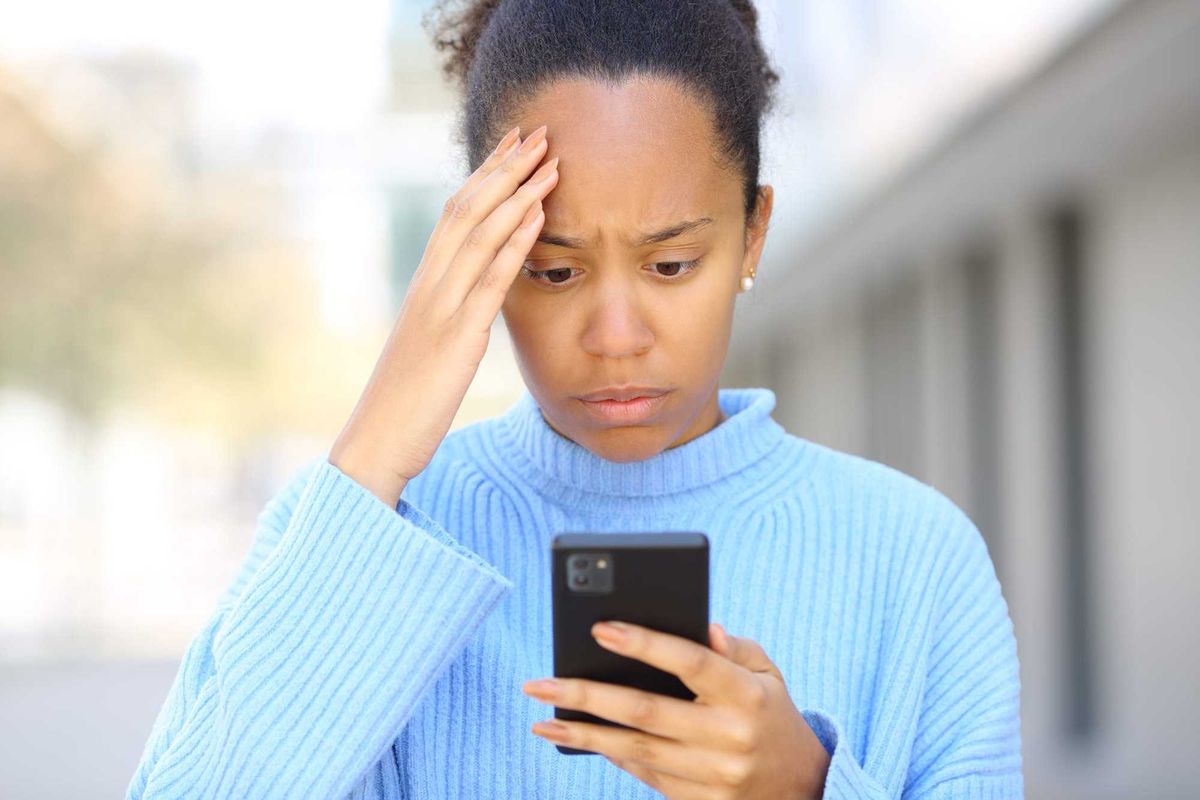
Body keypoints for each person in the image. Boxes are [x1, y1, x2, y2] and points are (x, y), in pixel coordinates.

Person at [127, 1, 1022, 797]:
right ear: (481, 253)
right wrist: (378, 447)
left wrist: (803, 789)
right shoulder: (369, 527)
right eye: (553, 270)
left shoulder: (915, 557)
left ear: (754, 234)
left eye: (671, 265)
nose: (617, 334)